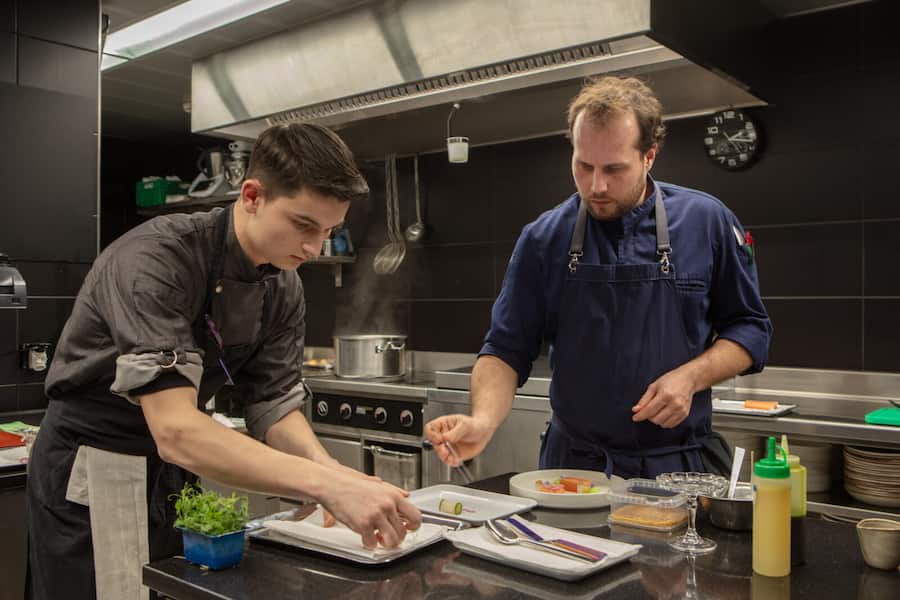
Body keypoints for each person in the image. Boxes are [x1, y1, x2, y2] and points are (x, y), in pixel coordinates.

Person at [26, 123, 421, 600]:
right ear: (252, 196)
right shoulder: (155, 260)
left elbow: (274, 404)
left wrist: (335, 473)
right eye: (303, 225)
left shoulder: (283, 285)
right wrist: (324, 485)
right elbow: (176, 430)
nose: (315, 248)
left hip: (172, 476)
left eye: (329, 231)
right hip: (96, 468)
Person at [426, 76, 772, 480]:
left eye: (614, 169)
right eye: (583, 166)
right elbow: (504, 348)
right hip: (573, 468)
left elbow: (751, 329)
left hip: (674, 466)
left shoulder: (707, 222)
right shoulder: (543, 238)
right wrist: (483, 421)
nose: (596, 186)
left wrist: (691, 377)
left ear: (649, 156)